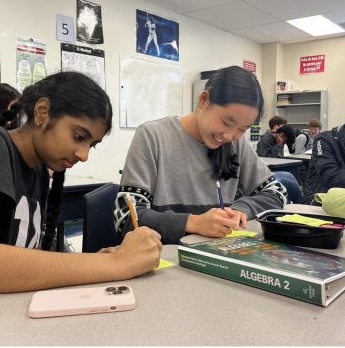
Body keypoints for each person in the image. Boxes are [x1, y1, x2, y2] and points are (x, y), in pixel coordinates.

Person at [0, 71, 162, 312]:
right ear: (42, 112)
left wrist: (99, 261)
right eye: (78, 136)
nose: (84, 155)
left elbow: (26, 263)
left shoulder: (39, 173)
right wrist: (114, 264)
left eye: (92, 145)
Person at [114, 66, 287, 244]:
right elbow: (126, 218)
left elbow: (277, 192)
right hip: (165, 259)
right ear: (204, 100)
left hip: (219, 253)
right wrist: (193, 222)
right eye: (226, 122)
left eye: (242, 129)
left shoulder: (236, 144)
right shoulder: (153, 136)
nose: (229, 136)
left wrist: (241, 209)